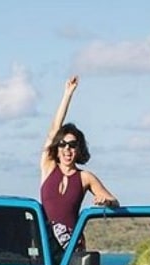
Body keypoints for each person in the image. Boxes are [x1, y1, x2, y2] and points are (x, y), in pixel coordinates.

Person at [40, 75, 119, 249]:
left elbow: (113, 201)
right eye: (63, 144)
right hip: (44, 246)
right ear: (57, 148)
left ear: (78, 148)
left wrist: (106, 202)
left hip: (72, 247)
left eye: (72, 145)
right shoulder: (49, 166)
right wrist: (67, 94)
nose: (67, 149)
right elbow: (54, 129)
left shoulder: (85, 177)